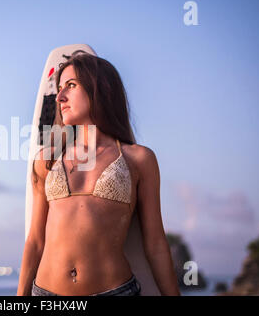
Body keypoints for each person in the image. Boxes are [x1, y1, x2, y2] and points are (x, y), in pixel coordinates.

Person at [17, 52, 180, 296]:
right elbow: (35, 241)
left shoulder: (139, 159)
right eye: (59, 88)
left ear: (100, 89)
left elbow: (155, 242)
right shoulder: (47, 160)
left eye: (71, 86)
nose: (60, 97)